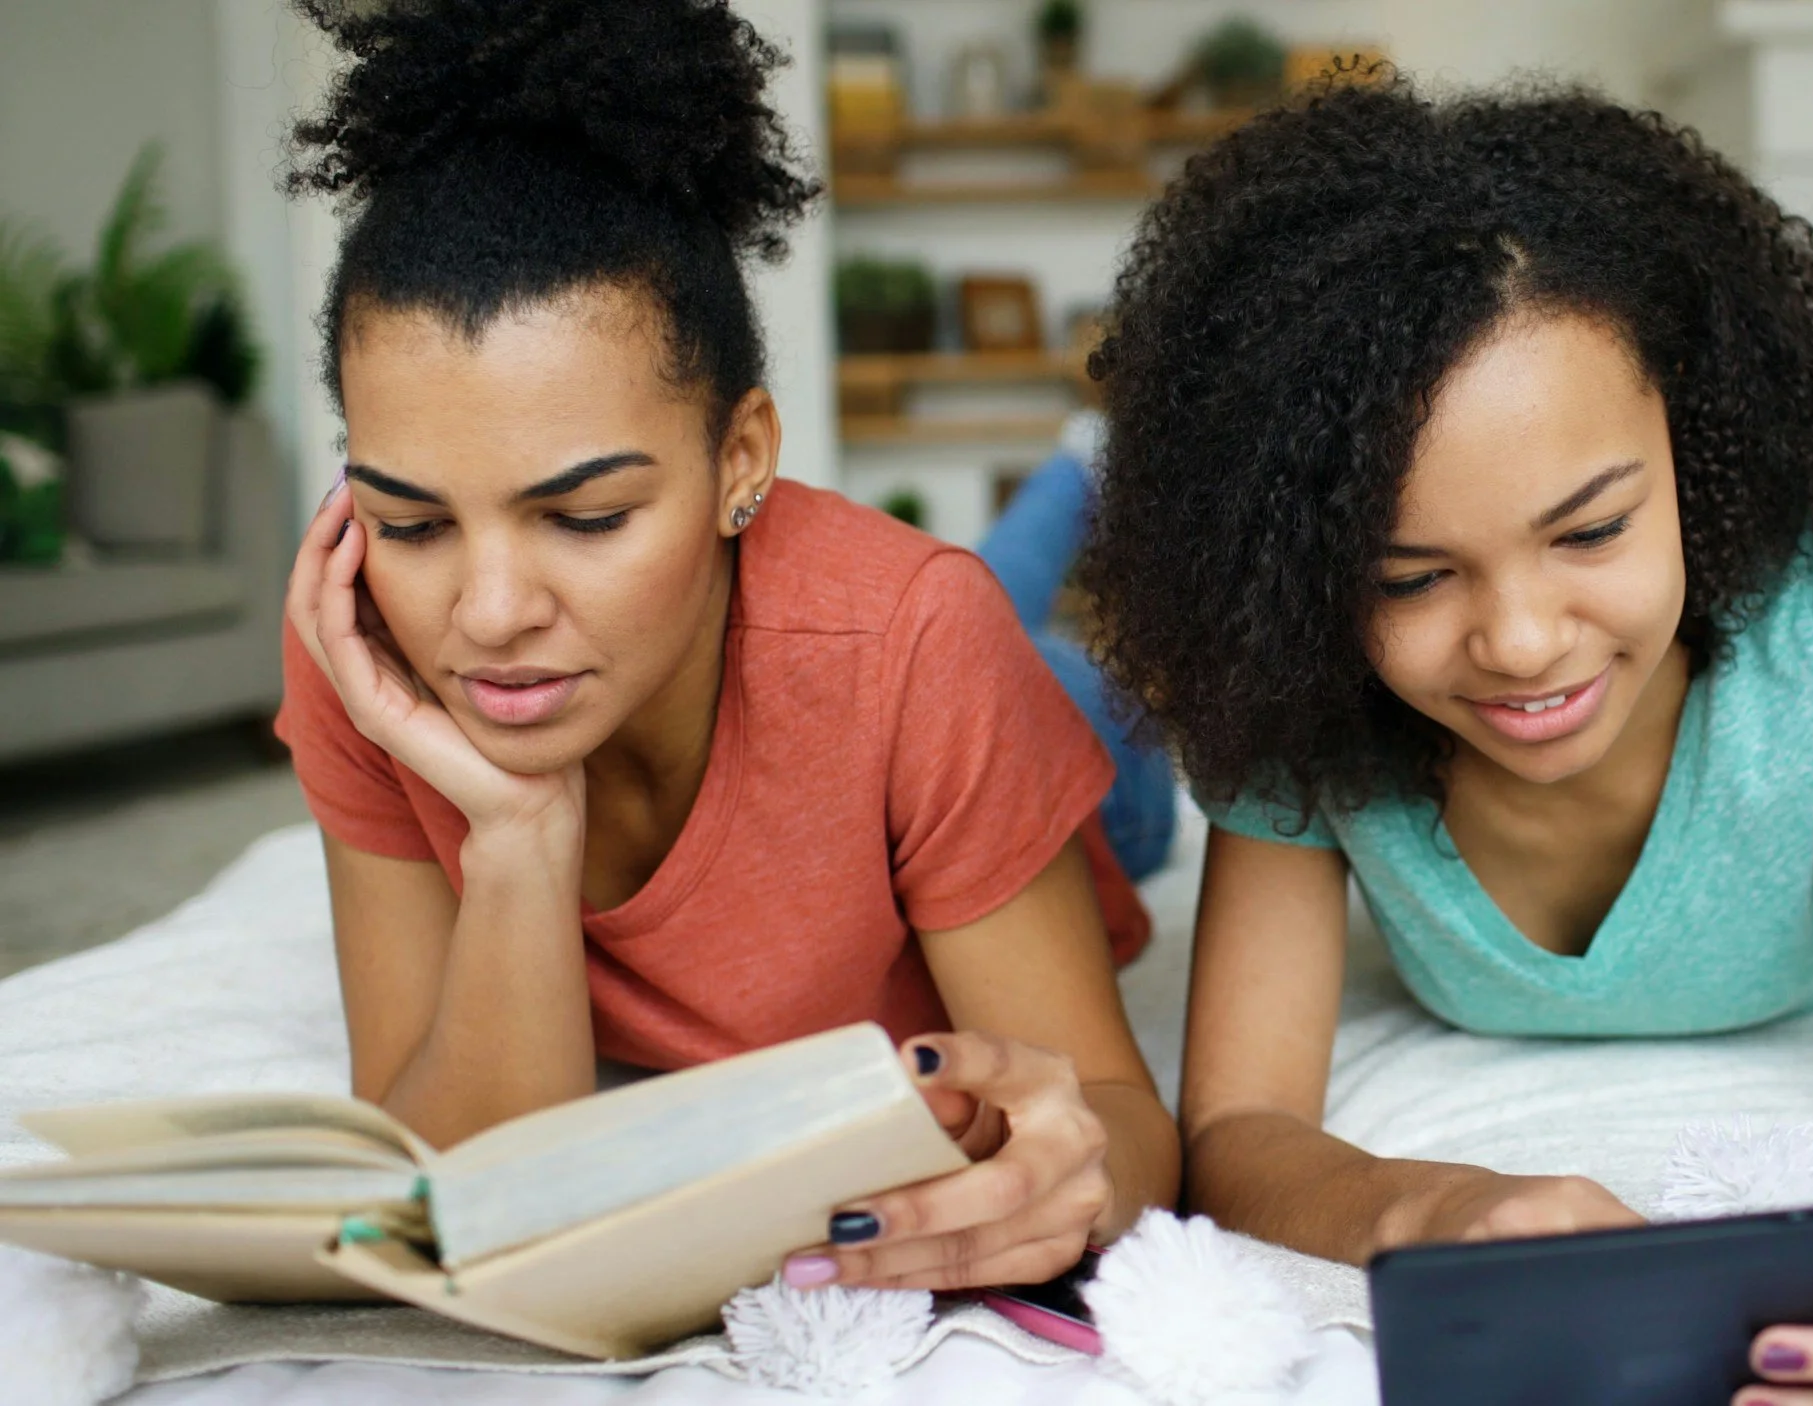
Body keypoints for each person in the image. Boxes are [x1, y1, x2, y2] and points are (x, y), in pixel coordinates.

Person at [1080, 81, 1813, 1402]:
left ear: (1693, 441)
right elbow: (1242, 1125)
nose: (1523, 641)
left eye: (1590, 531)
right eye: (1412, 578)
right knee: (1065, 708)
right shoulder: (1291, 676)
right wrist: (1419, 1207)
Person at [274, 0, 1174, 1295]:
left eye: (584, 515)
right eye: (411, 519)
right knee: (960, 591)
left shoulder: (912, 639)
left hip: (1015, 708)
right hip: (863, 619)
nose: (485, 614)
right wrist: (518, 838)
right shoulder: (363, 628)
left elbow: (1114, 1116)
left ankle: (1086, 472)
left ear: (740, 458)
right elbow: (458, 1172)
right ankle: (1060, 490)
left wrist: (1077, 1176)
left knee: (1014, 629)